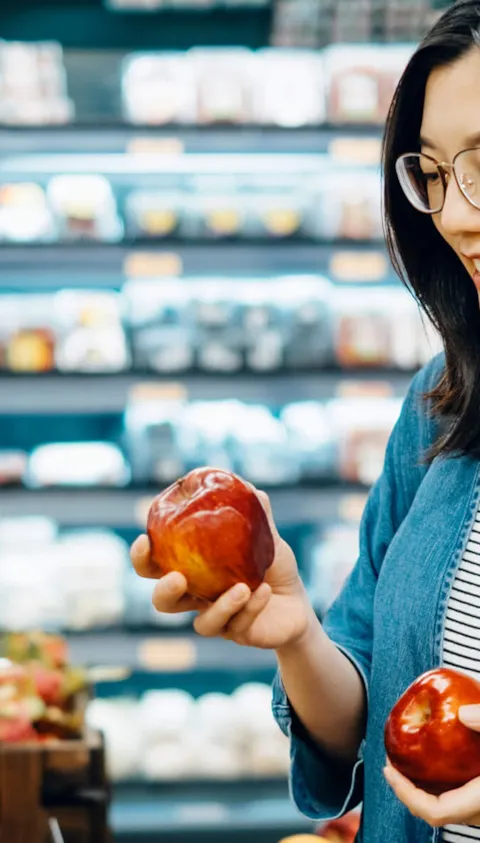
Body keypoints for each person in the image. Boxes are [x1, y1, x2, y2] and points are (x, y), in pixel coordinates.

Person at [130, 2, 480, 840]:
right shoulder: (443, 403)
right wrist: (297, 636)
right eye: (433, 171)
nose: (457, 212)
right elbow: (361, 711)